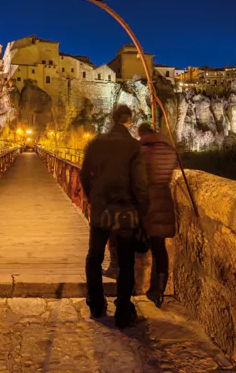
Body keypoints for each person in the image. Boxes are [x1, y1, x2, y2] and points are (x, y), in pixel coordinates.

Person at [81, 105, 149, 328]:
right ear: (129, 121)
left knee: (95, 256)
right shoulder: (133, 146)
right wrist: (142, 210)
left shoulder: (96, 143)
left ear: (112, 119)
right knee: (126, 261)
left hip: (101, 207)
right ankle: (122, 309)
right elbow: (140, 184)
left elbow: (84, 176)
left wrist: (94, 198)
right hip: (125, 209)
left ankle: (96, 303)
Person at [137, 123, 179, 308]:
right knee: (159, 248)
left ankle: (132, 287)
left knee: (135, 242)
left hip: (145, 202)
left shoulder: (141, 151)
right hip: (163, 200)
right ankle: (158, 291)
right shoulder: (168, 150)